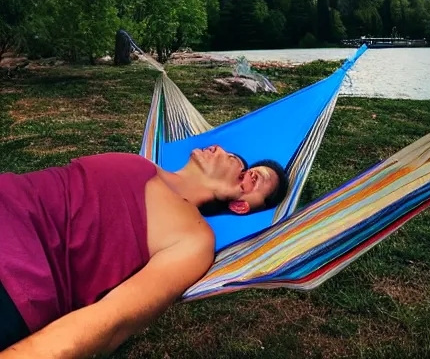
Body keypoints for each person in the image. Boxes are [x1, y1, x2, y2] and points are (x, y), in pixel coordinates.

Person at [0, 145, 288, 357]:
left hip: (17, 278)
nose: (223, 148)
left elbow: (112, 319)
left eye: (254, 178)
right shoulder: (142, 162)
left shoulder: (193, 237)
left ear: (241, 203)